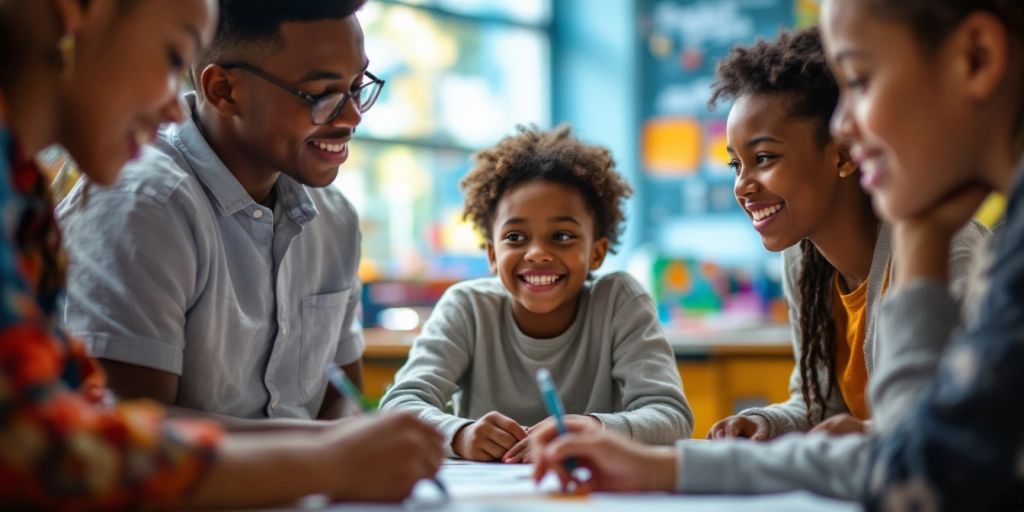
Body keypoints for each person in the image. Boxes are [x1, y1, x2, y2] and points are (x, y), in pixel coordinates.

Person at [531, 1, 1024, 508]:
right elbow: (903, 443)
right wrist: (750, 432)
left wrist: (921, 233)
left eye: (860, 81)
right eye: (735, 164)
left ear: (978, 57)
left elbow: (922, 464)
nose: (847, 126)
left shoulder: (963, 252)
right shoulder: (810, 264)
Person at [0, 0, 443, 508]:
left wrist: (351, 451)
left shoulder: (24, 198)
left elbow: (77, 410)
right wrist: (328, 460)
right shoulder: (135, 196)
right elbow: (56, 448)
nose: (173, 107)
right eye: (171, 57)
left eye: (357, 87)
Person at [57, 0, 378, 427]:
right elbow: (134, 431)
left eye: (357, 86)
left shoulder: (334, 216)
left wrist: (357, 440)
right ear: (224, 90)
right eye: (321, 95)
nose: (352, 116)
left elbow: (342, 396)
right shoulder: (143, 202)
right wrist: (330, 450)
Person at [706, 27, 987, 441]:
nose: (742, 186)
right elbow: (819, 404)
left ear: (842, 153)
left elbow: (969, 419)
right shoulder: (803, 260)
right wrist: (766, 423)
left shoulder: (945, 251)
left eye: (764, 158)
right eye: (736, 165)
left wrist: (862, 434)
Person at [380, 125, 693, 462]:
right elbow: (399, 405)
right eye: (515, 237)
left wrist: (595, 429)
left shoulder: (619, 301)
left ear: (596, 253)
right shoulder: (467, 307)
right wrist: (459, 434)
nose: (537, 254)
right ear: (492, 255)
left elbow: (671, 416)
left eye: (561, 236)